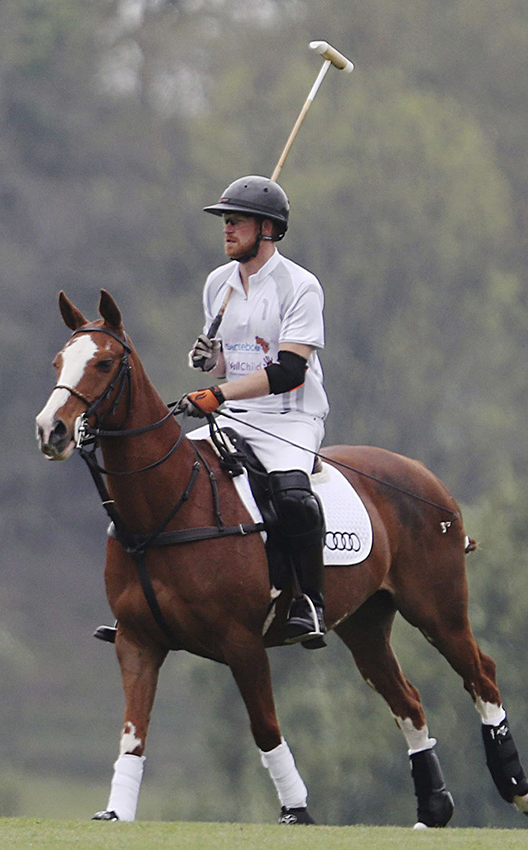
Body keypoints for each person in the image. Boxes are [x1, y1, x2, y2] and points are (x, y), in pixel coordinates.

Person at [178, 175, 329, 648]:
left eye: (235, 221)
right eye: (225, 221)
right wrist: (209, 362)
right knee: (173, 481)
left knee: (291, 496)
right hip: (237, 414)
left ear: (267, 228)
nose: (226, 230)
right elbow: (226, 361)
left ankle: (310, 601)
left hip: (290, 417)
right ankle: (156, 598)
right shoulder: (216, 284)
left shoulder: (300, 285)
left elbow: (288, 371)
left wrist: (220, 393)